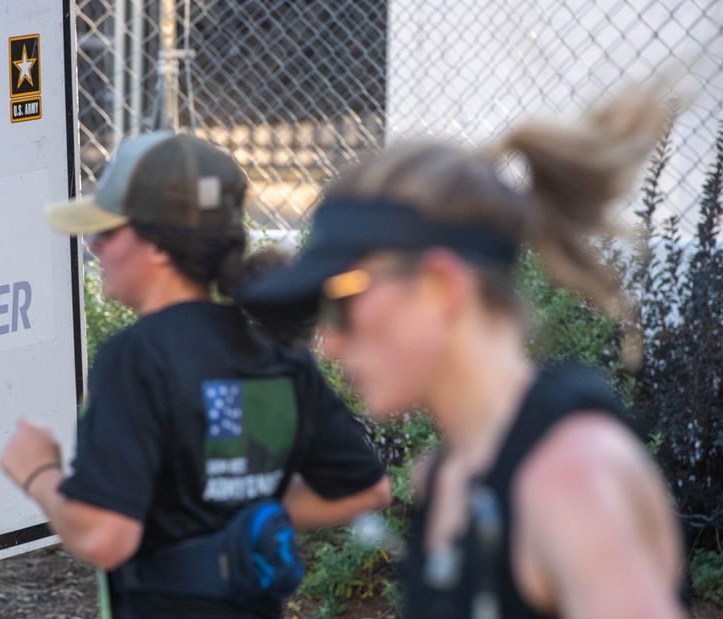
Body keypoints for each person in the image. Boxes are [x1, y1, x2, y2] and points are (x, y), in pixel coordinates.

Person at [237, 86, 686, 618]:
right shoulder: (448, 474)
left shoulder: (569, 478)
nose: (329, 343)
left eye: (341, 302)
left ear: (440, 287)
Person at [0, 131, 392, 618]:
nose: (95, 246)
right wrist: (245, 512)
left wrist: (38, 471)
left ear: (160, 247)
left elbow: (104, 538)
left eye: (110, 230)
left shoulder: (136, 356)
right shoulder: (273, 347)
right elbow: (366, 487)